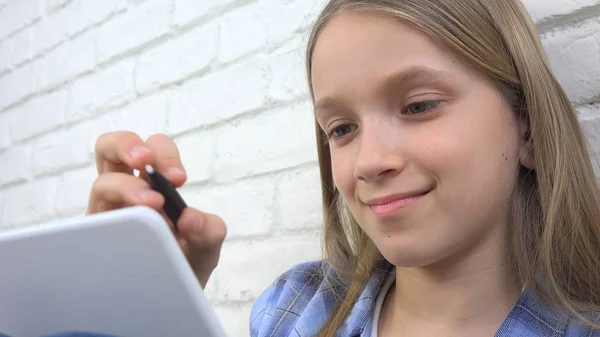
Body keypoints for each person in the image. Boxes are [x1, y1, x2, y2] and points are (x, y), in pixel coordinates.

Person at [36, 0, 600, 336]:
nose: (371, 162)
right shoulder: (295, 309)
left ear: (525, 127)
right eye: (342, 129)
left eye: (419, 105)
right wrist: (146, 302)